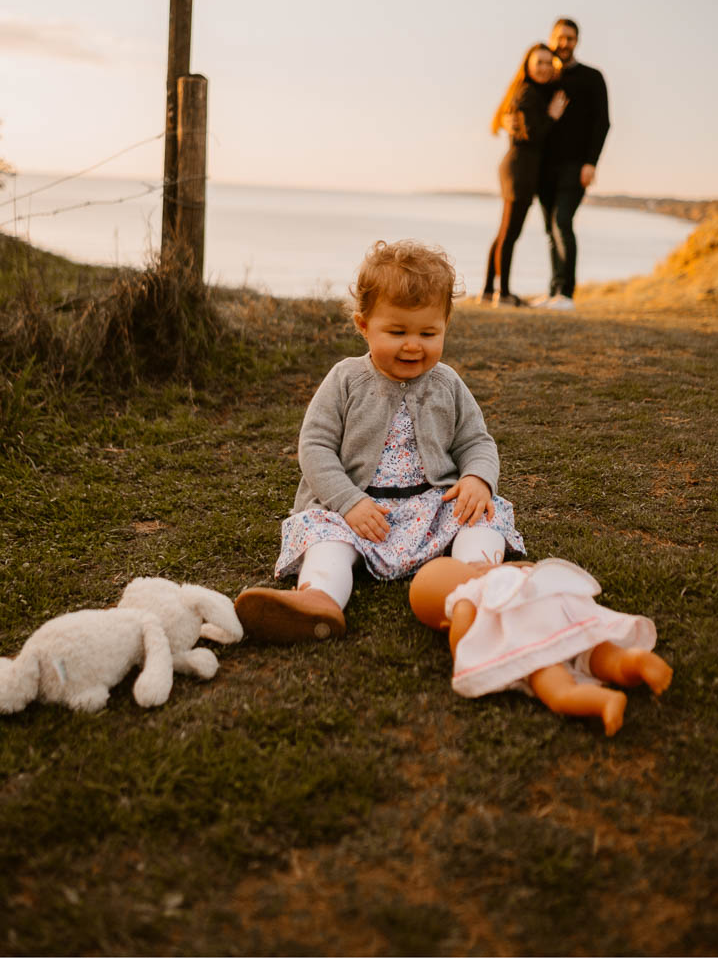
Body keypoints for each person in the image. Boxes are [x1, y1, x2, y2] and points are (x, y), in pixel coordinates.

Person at [235, 239, 526, 643]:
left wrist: (477, 478)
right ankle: (319, 600)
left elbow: (476, 441)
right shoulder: (346, 379)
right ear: (363, 326)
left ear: (446, 326)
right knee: (326, 539)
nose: (413, 344)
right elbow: (315, 447)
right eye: (397, 331)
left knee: (482, 515)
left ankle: (482, 576)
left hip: (432, 504)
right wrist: (347, 502)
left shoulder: (448, 383)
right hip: (358, 511)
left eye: (429, 332)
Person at [408, 554, 672, 736]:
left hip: (533, 642)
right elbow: (537, 568)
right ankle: (632, 660)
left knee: (559, 692)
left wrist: (457, 635)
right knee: (600, 653)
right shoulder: (505, 573)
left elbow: (463, 644)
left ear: (443, 622)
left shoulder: (462, 600)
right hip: (566, 621)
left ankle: (604, 701)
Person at [482, 44, 568, 307]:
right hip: (520, 168)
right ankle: (503, 294)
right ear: (527, 65)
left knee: (505, 232)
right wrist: (552, 116)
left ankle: (488, 291)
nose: (543, 67)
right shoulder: (528, 93)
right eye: (538, 62)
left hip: (520, 167)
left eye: (547, 63)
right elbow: (533, 134)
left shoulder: (529, 91)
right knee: (510, 234)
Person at [535, 18, 610, 310]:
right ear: (551, 39)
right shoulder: (543, 78)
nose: (565, 43)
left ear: (577, 41)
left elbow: (602, 123)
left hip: (575, 166)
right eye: (560, 37)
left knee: (561, 223)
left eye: (570, 38)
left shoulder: (592, 77)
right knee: (549, 230)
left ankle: (567, 294)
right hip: (543, 169)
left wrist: (591, 163)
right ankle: (553, 291)